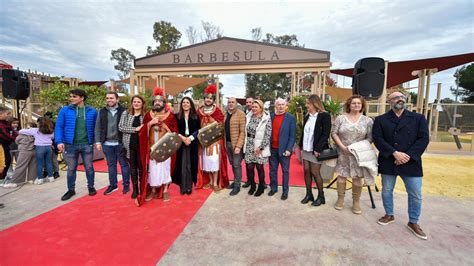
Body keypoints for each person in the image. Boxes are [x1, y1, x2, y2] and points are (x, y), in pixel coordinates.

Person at [372, 91, 429, 240]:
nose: (400, 100)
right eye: (396, 98)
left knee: (415, 194)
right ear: (389, 101)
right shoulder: (381, 119)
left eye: (402, 97)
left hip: (411, 162)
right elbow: (378, 139)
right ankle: (389, 214)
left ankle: (413, 222)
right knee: (387, 190)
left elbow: (423, 139)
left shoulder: (418, 118)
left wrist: (407, 156)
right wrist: (394, 153)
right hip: (389, 160)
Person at [331, 95, 374, 214]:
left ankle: (356, 202)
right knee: (341, 176)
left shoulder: (367, 120)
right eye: (354, 103)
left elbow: (370, 138)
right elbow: (334, 133)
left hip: (359, 154)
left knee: (357, 178)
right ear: (349, 105)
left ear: (362, 106)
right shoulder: (340, 118)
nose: (356, 105)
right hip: (343, 152)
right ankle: (340, 199)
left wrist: (358, 148)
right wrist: (342, 146)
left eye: (359, 103)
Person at [137, 87, 178, 205]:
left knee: (165, 169)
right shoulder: (148, 116)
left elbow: (174, 132)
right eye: (155, 101)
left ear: (164, 103)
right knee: (153, 170)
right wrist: (150, 123)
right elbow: (142, 130)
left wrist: (165, 126)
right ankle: (154, 190)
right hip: (152, 147)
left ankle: (165, 190)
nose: (157, 103)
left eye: (160, 101)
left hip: (165, 149)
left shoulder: (170, 116)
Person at [55, 89, 98, 201]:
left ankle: (91, 187)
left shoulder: (92, 111)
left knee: (89, 168)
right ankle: (71, 190)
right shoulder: (64, 110)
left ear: (82, 98)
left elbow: (96, 128)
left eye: (74, 96)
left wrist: (96, 141)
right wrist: (59, 141)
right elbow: (59, 126)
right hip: (70, 145)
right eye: (71, 96)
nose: (71, 98)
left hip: (87, 144)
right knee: (71, 169)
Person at [95, 91, 131, 195]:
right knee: (111, 166)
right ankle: (113, 185)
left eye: (111, 98)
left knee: (124, 165)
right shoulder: (102, 111)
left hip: (121, 143)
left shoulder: (125, 111)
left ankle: (126, 186)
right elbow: (97, 127)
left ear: (117, 99)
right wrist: (98, 142)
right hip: (107, 144)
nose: (109, 100)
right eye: (107, 98)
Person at [300, 94, 331, 206]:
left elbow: (325, 134)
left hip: (316, 150)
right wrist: (301, 147)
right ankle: (309, 194)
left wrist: (318, 149)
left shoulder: (325, 116)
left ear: (315, 103)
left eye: (308, 103)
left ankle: (321, 196)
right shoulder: (307, 116)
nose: (306, 105)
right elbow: (304, 133)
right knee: (306, 171)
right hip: (306, 148)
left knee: (315, 172)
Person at [196, 84, 229, 192]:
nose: (208, 100)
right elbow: (197, 125)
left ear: (213, 100)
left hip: (215, 142)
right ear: (204, 99)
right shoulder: (199, 111)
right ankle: (210, 181)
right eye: (207, 98)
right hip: (204, 142)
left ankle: (215, 182)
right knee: (207, 162)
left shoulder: (217, 111)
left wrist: (211, 120)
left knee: (214, 161)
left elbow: (221, 125)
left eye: (210, 98)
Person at [268, 98, 296, 200]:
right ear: (275, 106)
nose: (281, 106)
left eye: (283, 104)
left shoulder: (291, 118)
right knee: (272, 170)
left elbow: (292, 136)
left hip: (284, 150)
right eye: (279, 104)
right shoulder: (271, 117)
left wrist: (289, 149)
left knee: (285, 171)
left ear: (286, 105)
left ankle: (285, 191)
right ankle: (273, 188)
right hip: (272, 149)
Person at [119, 95, 146, 199]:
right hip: (129, 145)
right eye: (134, 102)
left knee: (142, 168)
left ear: (142, 103)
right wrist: (135, 129)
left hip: (142, 145)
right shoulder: (126, 113)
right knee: (133, 168)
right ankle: (135, 189)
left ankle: (142, 188)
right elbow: (121, 127)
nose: (136, 103)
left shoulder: (146, 115)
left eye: (138, 102)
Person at [244, 99, 272, 197]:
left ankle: (261, 187)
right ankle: (252, 186)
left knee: (259, 168)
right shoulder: (248, 116)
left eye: (256, 107)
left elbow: (268, 135)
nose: (254, 108)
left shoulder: (266, 118)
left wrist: (261, 147)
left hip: (260, 146)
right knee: (249, 167)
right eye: (253, 107)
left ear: (261, 108)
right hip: (249, 145)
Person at [173, 96, 200, 195]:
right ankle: (182, 187)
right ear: (181, 105)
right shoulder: (176, 116)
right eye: (183, 102)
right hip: (180, 143)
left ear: (191, 105)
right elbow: (174, 130)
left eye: (187, 102)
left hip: (192, 143)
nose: (185, 104)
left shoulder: (196, 116)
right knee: (182, 165)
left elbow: (198, 130)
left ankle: (189, 187)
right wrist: (183, 138)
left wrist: (190, 138)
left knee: (190, 165)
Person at [19, 117, 55, 185]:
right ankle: (51, 177)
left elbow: (20, 131)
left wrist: (29, 130)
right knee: (49, 163)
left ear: (39, 123)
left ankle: (40, 179)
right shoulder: (51, 130)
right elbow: (53, 137)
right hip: (49, 147)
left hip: (39, 148)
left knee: (39, 164)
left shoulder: (35, 130)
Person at [3, 122, 37, 188]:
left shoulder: (22, 134)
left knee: (20, 166)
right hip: (34, 150)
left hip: (24, 151)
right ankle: (32, 179)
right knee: (33, 165)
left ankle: (16, 182)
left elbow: (17, 141)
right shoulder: (36, 133)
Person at [225, 97, 246, 196]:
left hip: (236, 144)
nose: (230, 104)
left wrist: (238, 146)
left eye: (233, 102)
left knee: (237, 165)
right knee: (232, 163)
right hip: (228, 144)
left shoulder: (241, 114)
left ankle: (237, 185)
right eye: (229, 102)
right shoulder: (226, 115)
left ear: (236, 104)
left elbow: (243, 132)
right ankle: (235, 181)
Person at [0, 107, 17, 180]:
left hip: (6, 145)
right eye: (7, 114)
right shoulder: (1, 125)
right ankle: (1, 177)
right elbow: (4, 135)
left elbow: (13, 133)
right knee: (3, 161)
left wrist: (18, 137)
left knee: (8, 160)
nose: (8, 116)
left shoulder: (6, 123)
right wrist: (15, 139)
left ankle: (2, 177)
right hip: (1, 146)